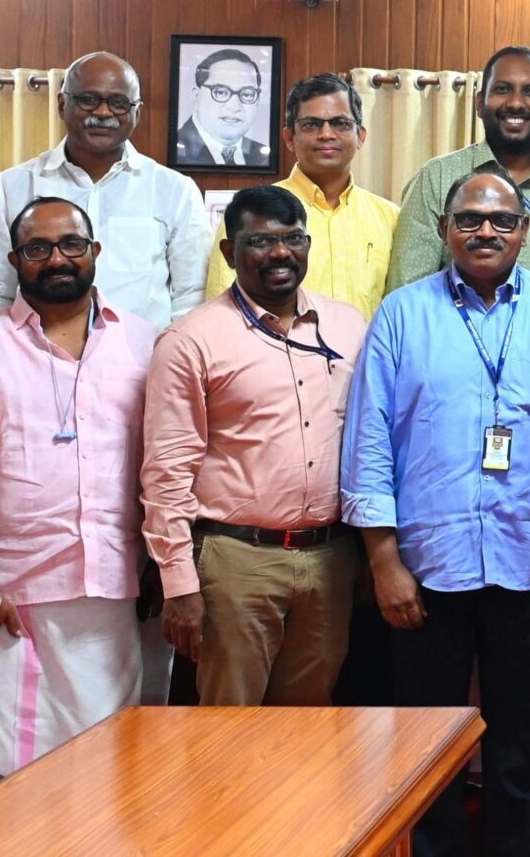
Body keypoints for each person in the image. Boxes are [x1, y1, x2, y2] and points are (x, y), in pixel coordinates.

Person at [344, 168, 530, 857]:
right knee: (425, 738)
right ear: (446, 230)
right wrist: (383, 560)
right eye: (469, 220)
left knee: (525, 737)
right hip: (428, 563)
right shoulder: (402, 316)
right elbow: (369, 444)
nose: (485, 232)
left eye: (501, 220)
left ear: (525, 230)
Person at [0, 196, 159, 772]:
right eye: (38, 248)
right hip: (6, 599)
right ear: (14, 259)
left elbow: (167, 462)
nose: (57, 259)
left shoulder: (145, 343)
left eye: (71, 245)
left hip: (112, 592)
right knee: (1, 769)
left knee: (106, 768)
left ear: (95, 252)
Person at [144, 185, 369, 708]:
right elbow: (166, 472)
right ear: (229, 252)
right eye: (260, 242)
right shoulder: (190, 340)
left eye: (293, 239)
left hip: (331, 558)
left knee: (310, 721)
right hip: (236, 560)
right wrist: (178, 583)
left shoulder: (349, 326)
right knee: (228, 728)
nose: (280, 254)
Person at [0, 51, 210, 332]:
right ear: (62, 104)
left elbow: (193, 299)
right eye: (88, 100)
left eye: (119, 103)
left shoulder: (175, 190)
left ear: (137, 113)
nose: (103, 113)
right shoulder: (11, 187)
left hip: (143, 365)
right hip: (34, 362)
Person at [386, 46, 530, 290]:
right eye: (502, 89)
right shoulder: (436, 177)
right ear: (480, 104)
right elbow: (408, 292)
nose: (515, 103)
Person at [203, 73, 398, 319]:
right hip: (273, 355)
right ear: (288, 138)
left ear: (360, 136)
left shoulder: (389, 217)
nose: (327, 134)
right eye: (311, 124)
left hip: (367, 357)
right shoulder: (251, 214)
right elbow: (223, 309)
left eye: (340, 123)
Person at [173, 48, 272, 168]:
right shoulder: (175, 150)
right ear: (196, 96)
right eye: (220, 92)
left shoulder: (263, 156)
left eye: (247, 94)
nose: (234, 107)